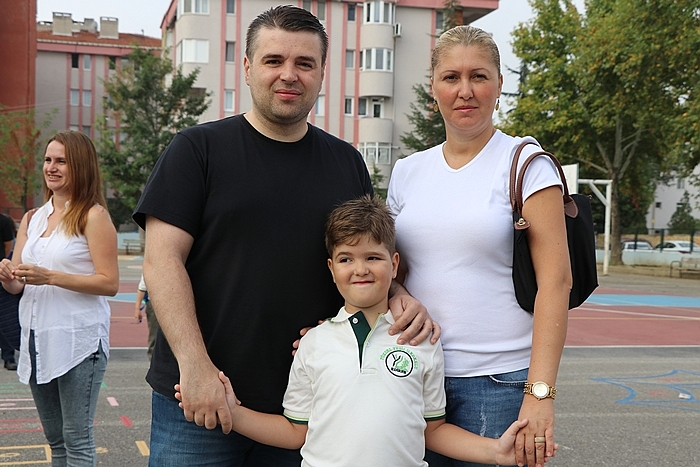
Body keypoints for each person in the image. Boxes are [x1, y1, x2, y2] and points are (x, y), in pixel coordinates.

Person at [132, 6, 435, 466]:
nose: (288, 75)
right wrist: (195, 367)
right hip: (202, 399)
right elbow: (161, 262)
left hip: (308, 404)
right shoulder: (196, 150)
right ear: (248, 67)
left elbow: (362, 256)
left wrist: (399, 294)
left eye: (304, 63)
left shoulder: (346, 162)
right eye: (273, 60)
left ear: (322, 73)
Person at [175, 195, 557, 466]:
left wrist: (495, 451)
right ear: (331, 269)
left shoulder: (421, 340)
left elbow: (433, 430)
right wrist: (233, 412)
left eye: (373, 257)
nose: (360, 269)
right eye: (346, 259)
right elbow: (295, 432)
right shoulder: (313, 343)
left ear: (394, 264)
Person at [387, 25, 571, 467]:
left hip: (498, 383)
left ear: (499, 84)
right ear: (433, 87)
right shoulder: (407, 171)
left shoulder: (526, 163)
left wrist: (540, 394)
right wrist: (397, 294)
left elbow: (556, 283)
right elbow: (390, 270)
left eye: (479, 76)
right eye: (451, 77)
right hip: (413, 371)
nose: (465, 91)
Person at [0, 130, 119, 466]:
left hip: (79, 341)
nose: (51, 167)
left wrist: (50, 277)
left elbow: (109, 282)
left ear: (80, 166)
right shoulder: (32, 218)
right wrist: (8, 275)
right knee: (56, 441)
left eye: (61, 161)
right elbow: (18, 285)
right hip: (37, 340)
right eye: (48, 160)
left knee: (77, 441)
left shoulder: (93, 216)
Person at [0, 213, 18, 370]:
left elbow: (8, 246)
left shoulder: (3, 221)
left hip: (1, 275)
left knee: (4, 316)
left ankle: (8, 356)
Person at [133, 273, 159, 360]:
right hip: (154, 304)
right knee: (154, 335)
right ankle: (153, 360)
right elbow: (142, 287)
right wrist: (137, 309)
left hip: (174, 305)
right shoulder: (152, 267)